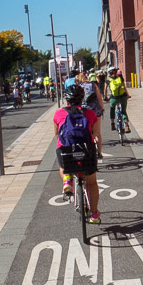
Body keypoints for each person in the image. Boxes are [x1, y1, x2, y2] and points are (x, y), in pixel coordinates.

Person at [53, 86, 101, 224]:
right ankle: (94, 214)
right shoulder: (90, 114)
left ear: (66, 99)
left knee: (63, 166)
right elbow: (95, 133)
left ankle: (67, 179)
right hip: (86, 151)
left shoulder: (58, 114)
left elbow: (57, 135)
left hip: (66, 152)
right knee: (91, 182)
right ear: (82, 98)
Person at [81, 73, 106, 160]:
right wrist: (102, 108)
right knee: (98, 132)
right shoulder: (93, 85)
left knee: (86, 132)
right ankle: (99, 153)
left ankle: (86, 151)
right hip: (96, 111)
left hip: (84, 112)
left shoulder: (78, 86)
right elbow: (99, 98)